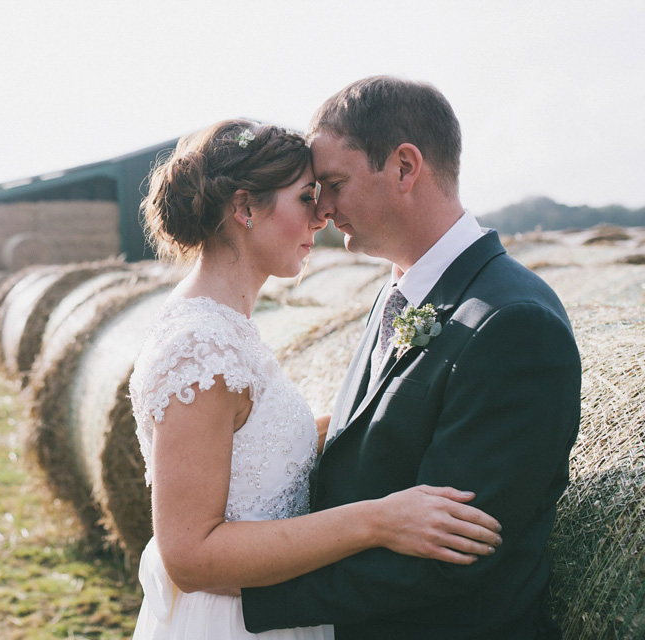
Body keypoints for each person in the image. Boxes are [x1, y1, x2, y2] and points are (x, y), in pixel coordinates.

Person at [129, 118, 504, 640]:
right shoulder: (201, 349)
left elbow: (253, 446)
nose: (322, 217)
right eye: (306, 197)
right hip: (236, 623)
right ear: (245, 209)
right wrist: (378, 520)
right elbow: (190, 556)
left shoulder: (223, 326)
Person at [240, 77, 582, 639]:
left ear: (404, 167)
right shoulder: (397, 291)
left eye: (333, 183)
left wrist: (246, 593)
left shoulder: (515, 324)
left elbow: (457, 547)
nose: (321, 209)